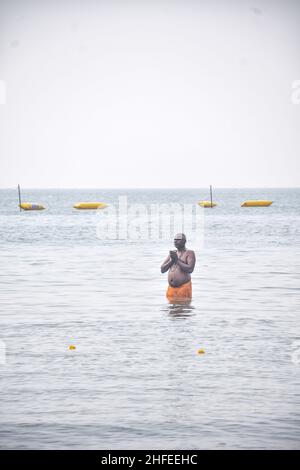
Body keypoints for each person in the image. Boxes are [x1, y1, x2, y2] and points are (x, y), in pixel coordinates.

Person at [161, 233, 196, 301]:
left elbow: (190, 269)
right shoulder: (173, 253)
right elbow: (162, 269)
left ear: (184, 241)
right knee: (171, 310)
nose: (175, 241)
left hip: (184, 287)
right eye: (174, 240)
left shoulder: (189, 253)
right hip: (171, 288)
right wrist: (171, 261)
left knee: (183, 309)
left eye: (178, 240)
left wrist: (177, 261)